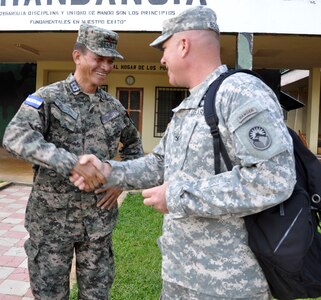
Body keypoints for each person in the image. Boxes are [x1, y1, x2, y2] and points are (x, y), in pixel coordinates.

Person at [71, 6, 296, 300]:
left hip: (227, 284)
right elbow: (160, 163)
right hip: (180, 275)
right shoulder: (190, 107)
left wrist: (176, 195)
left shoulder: (240, 93)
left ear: (183, 45)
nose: (162, 58)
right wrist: (110, 171)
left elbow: (273, 179)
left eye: (165, 47)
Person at [3, 24, 143, 300]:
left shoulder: (113, 108)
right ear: (77, 56)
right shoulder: (48, 98)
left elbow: (134, 148)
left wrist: (119, 181)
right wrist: (71, 163)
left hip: (98, 225)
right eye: (98, 58)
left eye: (110, 60)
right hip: (52, 224)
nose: (105, 66)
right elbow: (15, 136)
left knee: (96, 296)